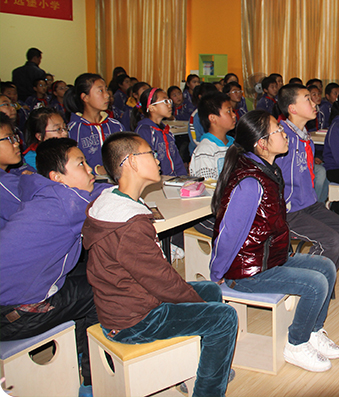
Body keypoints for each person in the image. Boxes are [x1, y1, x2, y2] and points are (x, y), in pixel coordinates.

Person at [83, 132, 238, 397]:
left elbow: (155, 278)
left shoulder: (113, 202)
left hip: (128, 303)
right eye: (150, 154)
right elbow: (162, 281)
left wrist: (196, 302)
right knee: (224, 317)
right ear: (131, 162)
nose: (157, 160)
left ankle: (198, 366)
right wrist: (196, 305)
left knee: (211, 291)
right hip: (134, 321)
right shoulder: (128, 225)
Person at [211, 110, 339, 372]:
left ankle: (313, 330)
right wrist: (217, 273)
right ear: (262, 143)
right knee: (315, 283)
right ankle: (296, 344)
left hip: (269, 258)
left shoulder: (267, 169)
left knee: (326, 267)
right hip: (246, 271)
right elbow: (228, 233)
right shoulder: (250, 182)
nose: (284, 134)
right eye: (278, 131)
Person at [0, 137, 107, 397]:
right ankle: (93, 380)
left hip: (6, 304)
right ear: (56, 177)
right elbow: (112, 197)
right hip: (14, 315)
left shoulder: (41, 190)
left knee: (89, 272)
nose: (90, 169)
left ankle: (80, 346)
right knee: (102, 290)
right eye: (80, 164)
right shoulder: (67, 203)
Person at [276, 84, 339, 269]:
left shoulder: (305, 138)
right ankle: (304, 281)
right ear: (292, 108)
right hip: (288, 211)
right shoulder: (281, 137)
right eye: (307, 99)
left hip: (309, 205)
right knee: (331, 240)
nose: (314, 103)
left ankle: (323, 277)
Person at [66, 73, 124, 174]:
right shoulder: (73, 130)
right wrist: (97, 170)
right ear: (85, 97)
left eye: (106, 90)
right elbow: (69, 164)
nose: (107, 95)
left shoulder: (116, 126)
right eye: (100, 91)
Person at [134, 87, 187, 176]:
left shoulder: (166, 131)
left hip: (173, 180)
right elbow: (145, 165)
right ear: (151, 108)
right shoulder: (144, 131)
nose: (169, 105)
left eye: (169, 101)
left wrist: (183, 178)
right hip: (157, 181)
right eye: (165, 101)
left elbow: (177, 160)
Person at [190, 91, 236, 179]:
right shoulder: (205, 151)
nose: (233, 115)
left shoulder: (235, 145)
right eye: (228, 111)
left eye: (232, 111)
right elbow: (207, 184)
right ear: (213, 118)